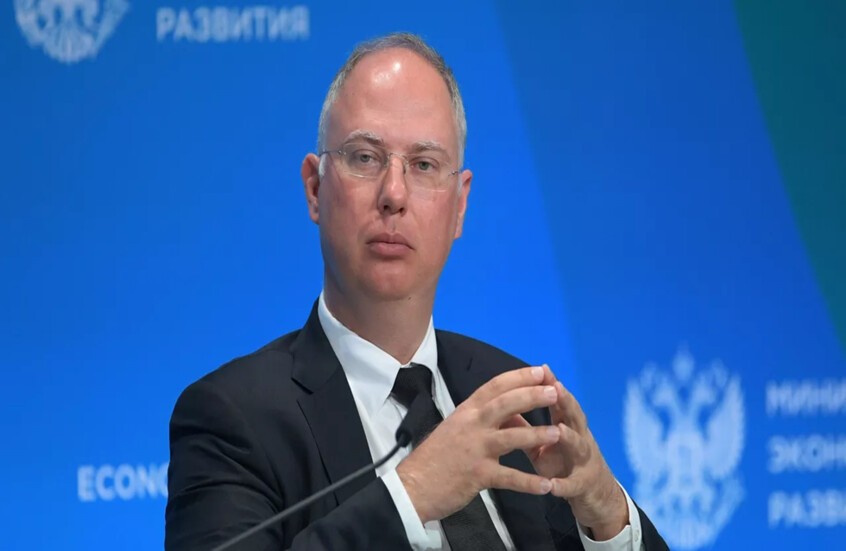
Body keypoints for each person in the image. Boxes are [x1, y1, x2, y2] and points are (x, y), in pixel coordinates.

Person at [165, 32, 668, 551]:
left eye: (424, 164)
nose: (394, 194)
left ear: (460, 205)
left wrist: (607, 510)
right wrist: (411, 495)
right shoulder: (232, 419)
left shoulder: (519, 405)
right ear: (315, 188)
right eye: (365, 157)